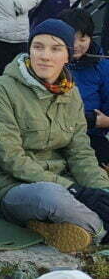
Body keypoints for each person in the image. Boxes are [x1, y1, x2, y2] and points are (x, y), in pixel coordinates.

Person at [0, 19, 109, 253]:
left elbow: (80, 152)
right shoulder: (1, 90)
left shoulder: (72, 93)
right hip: (11, 186)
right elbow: (11, 159)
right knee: (51, 197)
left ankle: (65, 226)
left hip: (65, 179)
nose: (45, 56)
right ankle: (100, 232)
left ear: (68, 56)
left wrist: (99, 191)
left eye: (55, 48)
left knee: (102, 189)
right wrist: (75, 191)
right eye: (38, 47)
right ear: (29, 50)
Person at [59, 8, 109, 164]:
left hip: (90, 135)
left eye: (83, 39)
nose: (76, 45)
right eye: (71, 38)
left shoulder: (102, 66)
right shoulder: (49, 63)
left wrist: (103, 121)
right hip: (55, 135)